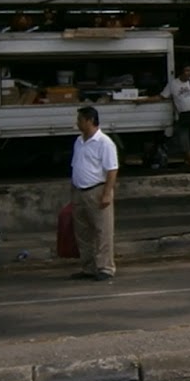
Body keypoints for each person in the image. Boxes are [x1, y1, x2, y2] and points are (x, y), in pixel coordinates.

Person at [69, 105, 119, 281]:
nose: (77, 123)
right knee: (82, 232)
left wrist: (107, 193)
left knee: (102, 230)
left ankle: (105, 267)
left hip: (96, 189)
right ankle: (88, 266)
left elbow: (112, 170)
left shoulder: (104, 143)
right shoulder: (79, 141)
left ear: (90, 121)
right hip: (80, 191)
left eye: (80, 120)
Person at [160, 64, 190, 171]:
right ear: (180, 72)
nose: (189, 73)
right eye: (186, 71)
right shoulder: (173, 84)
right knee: (184, 142)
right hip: (182, 117)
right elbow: (163, 96)